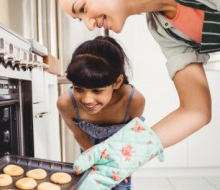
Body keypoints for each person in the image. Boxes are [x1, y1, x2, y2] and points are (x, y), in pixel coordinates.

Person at [59, 0, 219, 189]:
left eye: (83, 8)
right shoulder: (163, 30)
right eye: (79, 20)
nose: (89, 24)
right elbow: (196, 110)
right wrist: (125, 154)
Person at [57, 35, 145, 190]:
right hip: (90, 153)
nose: (87, 99)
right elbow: (80, 135)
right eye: (79, 88)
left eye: (97, 90)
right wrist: (96, 161)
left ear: (117, 82)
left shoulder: (134, 101)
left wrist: (122, 165)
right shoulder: (66, 104)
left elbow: (132, 136)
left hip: (120, 157)